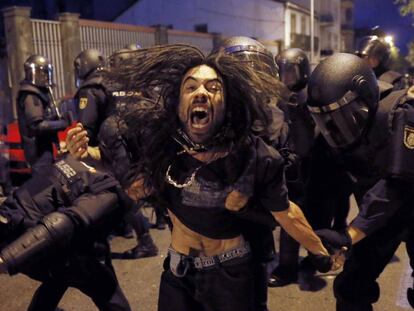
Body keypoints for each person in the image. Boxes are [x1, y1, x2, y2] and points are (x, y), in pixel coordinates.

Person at [108, 44, 339, 311]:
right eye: (191, 87)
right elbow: (133, 184)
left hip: (229, 274)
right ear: (178, 101)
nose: (201, 93)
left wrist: (320, 252)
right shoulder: (164, 148)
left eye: (213, 87)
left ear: (228, 102)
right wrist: (88, 157)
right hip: (177, 271)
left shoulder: (255, 156)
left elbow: (287, 213)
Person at [304, 52, 414, 311]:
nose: (333, 128)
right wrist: (318, 244)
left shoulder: (401, 114)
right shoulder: (329, 138)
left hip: (404, 205)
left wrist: (348, 236)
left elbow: (395, 187)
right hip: (377, 221)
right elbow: (319, 190)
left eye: (342, 115)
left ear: (364, 101)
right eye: (325, 118)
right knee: (351, 287)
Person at [0, 153, 133, 311]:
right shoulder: (108, 190)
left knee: (60, 277)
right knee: (102, 284)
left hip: (12, 223)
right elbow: (60, 224)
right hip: (29, 241)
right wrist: (7, 259)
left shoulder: (74, 159)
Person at [268, 47, 316, 287]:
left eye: (291, 72)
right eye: (283, 72)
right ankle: (290, 263)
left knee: (301, 216)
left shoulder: (311, 94)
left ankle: (292, 266)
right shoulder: (280, 95)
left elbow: (310, 136)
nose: (286, 78)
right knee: (286, 213)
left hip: (309, 164)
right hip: (287, 161)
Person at [17, 55, 71, 175]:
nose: (46, 77)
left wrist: (54, 118)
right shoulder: (31, 94)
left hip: (42, 148)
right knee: (43, 184)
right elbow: (37, 125)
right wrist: (62, 123)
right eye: (42, 73)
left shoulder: (36, 93)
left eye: (47, 73)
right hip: (38, 151)